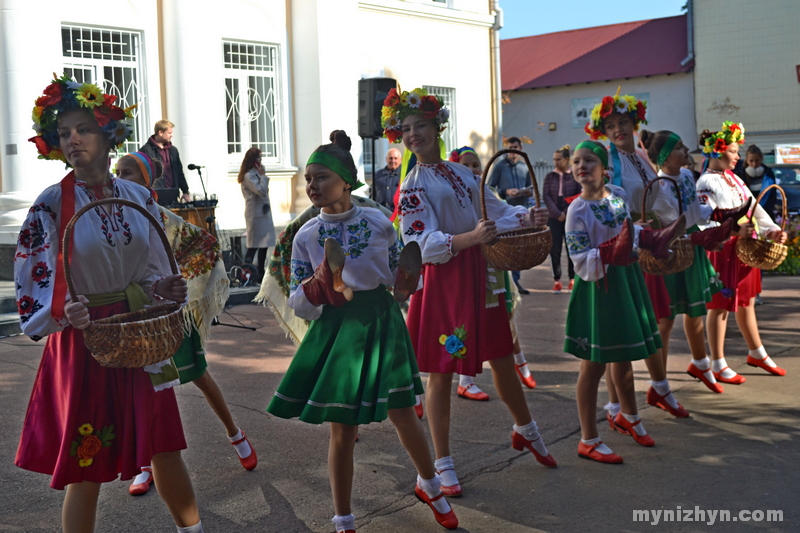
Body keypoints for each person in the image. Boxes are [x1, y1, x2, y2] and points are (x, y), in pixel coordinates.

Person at [19, 75, 203, 532]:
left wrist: (164, 288)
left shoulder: (139, 196)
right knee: (88, 460)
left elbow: (153, 264)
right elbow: (33, 276)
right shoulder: (50, 206)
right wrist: (62, 311)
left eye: (83, 129)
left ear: (107, 135)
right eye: (64, 134)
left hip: (141, 329)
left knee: (164, 445)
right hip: (84, 338)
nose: (73, 140)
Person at [266, 130, 458, 532]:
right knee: (343, 428)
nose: (311, 186)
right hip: (337, 326)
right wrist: (315, 290)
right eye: (308, 179)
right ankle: (344, 519)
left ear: (346, 181)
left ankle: (431, 486)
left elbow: (398, 277)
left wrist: (407, 281)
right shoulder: (305, 235)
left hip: (380, 318)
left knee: (404, 414)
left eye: (320, 177)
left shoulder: (376, 221)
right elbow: (301, 306)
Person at [384, 87, 556, 499]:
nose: (412, 135)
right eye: (405, 129)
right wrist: (468, 238)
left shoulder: (461, 173)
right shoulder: (411, 185)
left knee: (501, 354)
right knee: (441, 371)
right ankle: (442, 463)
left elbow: (494, 211)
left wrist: (526, 216)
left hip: (481, 273)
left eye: (420, 126)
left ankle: (525, 429)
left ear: (437, 126)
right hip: (445, 281)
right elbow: (419, 245)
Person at [116, 152, 257, 496]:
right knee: (145, 390)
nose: (120, 177)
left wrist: (187, 291)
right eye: (117, 171)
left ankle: (235, 432)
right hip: (135, 316)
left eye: (129, 172)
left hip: (170, 315)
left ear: (147, 181)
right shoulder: (111, 217)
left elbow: (205, 245)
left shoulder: (161, 216)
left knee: (198, 376)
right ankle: (146, 463)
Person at [586, 92, 688, 420]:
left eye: (623, 123)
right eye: (611, 125)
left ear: (635, 123)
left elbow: (658, 200)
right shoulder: (609, 160)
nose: (618, 130)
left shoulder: (642, 158)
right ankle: (624, 404)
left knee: (647, 324)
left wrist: (678, 228)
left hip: (645, 246)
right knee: (630, 329)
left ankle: (639, 397)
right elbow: (604, 206)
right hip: (622, 249)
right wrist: (633, 226)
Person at [565, 140, 667, 463]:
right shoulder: (576, 210)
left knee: (623, 356)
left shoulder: (619, 196)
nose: (582, 166)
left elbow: (630, 234)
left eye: (589, 160)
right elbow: (580, 259)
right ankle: (588, 438)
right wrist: (612, 249)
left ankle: (630, 416)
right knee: (593, 366)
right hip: (598, 288)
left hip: (625, 280)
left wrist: (645, 237)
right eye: (577, 161)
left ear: (605, 167)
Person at [639, 130, 734, 397]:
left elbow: (694, 212)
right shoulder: (659, 186)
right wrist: (702, 234)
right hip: (672, 252)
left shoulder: (686, 176)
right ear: (667, 158)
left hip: (690, 248)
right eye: (679, 148)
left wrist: (714, 224)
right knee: (666, 321)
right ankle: (660, 383)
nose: (685, 151)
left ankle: (701, 364)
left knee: (696, 312)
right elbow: (674, 223)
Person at [696, 123, 787, 383]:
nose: (738, 156)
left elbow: (755, 209)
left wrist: (771, 231)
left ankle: (756, 352)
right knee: (720, 307)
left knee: (746, 302)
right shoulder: (706, 182)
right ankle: (717, 363)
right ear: (716, 152)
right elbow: (706, 221)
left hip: (744, 249)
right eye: (734, 151)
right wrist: (735, 232)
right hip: (723, 250)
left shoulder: (735, 178)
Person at [448, 147, 537, 400]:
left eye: (476, 165)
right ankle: (465, 379)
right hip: (468, 265)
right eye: (466, 165)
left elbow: (505, 215)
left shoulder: (488, 193)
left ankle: (519, 362)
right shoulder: (454, 197)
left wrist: (529, 217)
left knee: (505, 313)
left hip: (495, 266)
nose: (473, 170)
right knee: (468, 320)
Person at [487, 136, 534, 294]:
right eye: (510, 147)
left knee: (519, 249)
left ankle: (516, 281)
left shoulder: (524, 166)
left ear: (520, 149)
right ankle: (509, 283)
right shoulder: (499, 166)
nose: (513, 151)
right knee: (506, 249)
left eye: (515, 148)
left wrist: (527, 192)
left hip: (522, 213)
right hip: (504, 214)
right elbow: (490, 189)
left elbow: (532, 188)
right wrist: (506, 192)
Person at [543, 144, 580, 294]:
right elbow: (546, 196)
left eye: (559, 159)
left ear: (566, 160)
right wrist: (557, 213)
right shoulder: (549, 176)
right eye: (554, 159)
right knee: (555, 249)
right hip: (554, 218)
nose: (556, 162)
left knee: (572, 248)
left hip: (570, 216)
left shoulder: (574, 176)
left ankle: (572, 279)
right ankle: (557, 280)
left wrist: (566, 212)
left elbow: (578, 195)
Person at [238, 147, 276, 277]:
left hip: (263, 214)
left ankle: (261, 272)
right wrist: (263, 176)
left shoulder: (256, 174)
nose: (261, 161)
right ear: (253, 160)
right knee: (254, 244)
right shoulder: (249, 176)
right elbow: (261, 191)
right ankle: (246, 271)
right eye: (259, 158)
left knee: (264, 245)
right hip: (256, 215)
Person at [140, 119, 190, 202]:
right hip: (155, 196)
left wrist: (185, 191)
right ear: (160, 132)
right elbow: (143, 175)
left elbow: (179, 172)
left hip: (173, 194)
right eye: (169, 133)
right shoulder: (146, 150)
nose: (172, 135)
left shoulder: (173, 150)